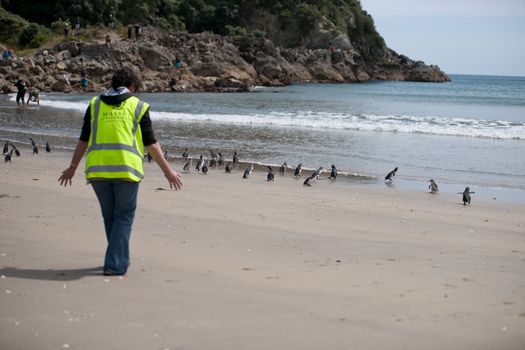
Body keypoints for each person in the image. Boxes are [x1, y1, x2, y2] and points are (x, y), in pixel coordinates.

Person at [58, 68, 182, 276]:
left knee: (111, 217)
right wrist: (168, 171)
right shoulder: (138, 105)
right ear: (133, 86)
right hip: (126, 170)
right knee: (123, 216)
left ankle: (115, 258)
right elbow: (151, 143)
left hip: (98, 171)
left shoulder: (95, 104)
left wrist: (72, 167)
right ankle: (115, 264)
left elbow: (84, 139)